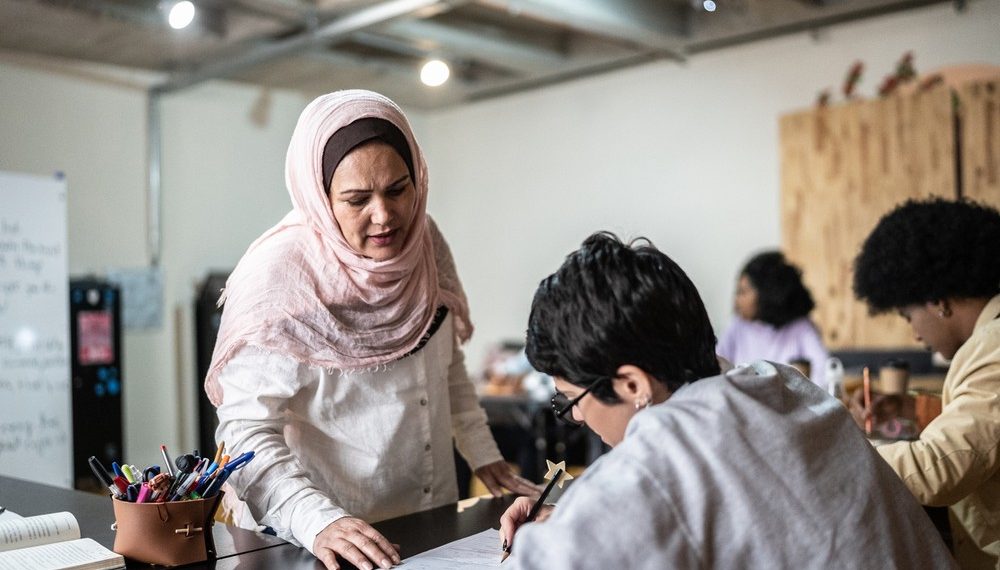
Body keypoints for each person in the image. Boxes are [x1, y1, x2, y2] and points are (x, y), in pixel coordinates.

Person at [203, 90, 537, 570]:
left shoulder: (424, 244)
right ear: (320, 198)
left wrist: (486, 456)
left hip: (429, 523)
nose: (385, 216)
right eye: (357, 200)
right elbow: (246, 434)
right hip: (319, 539)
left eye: (399, 189)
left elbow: (447, 366)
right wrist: (316, 519)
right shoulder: (279, 280)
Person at [499, 232, 954, 569]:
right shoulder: (781, 384)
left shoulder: (662, 455)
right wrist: (585, 519)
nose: (575, 416)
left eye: (569, 399)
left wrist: (580, 524)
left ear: (633, 385)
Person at [850, 198, 1000, 568]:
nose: (915, 334)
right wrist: (911, 408)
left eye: (908, 315)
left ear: (937, 300)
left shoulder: (995, 346)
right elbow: (985, 422)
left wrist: (837, 453)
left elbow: (940, 467)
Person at [717, 250, 829, 389]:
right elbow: (716, 370)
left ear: (766, 293)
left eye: (743, 292)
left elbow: (823, 372)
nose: (737, 300)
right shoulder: (737, 327)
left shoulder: (801, 327)